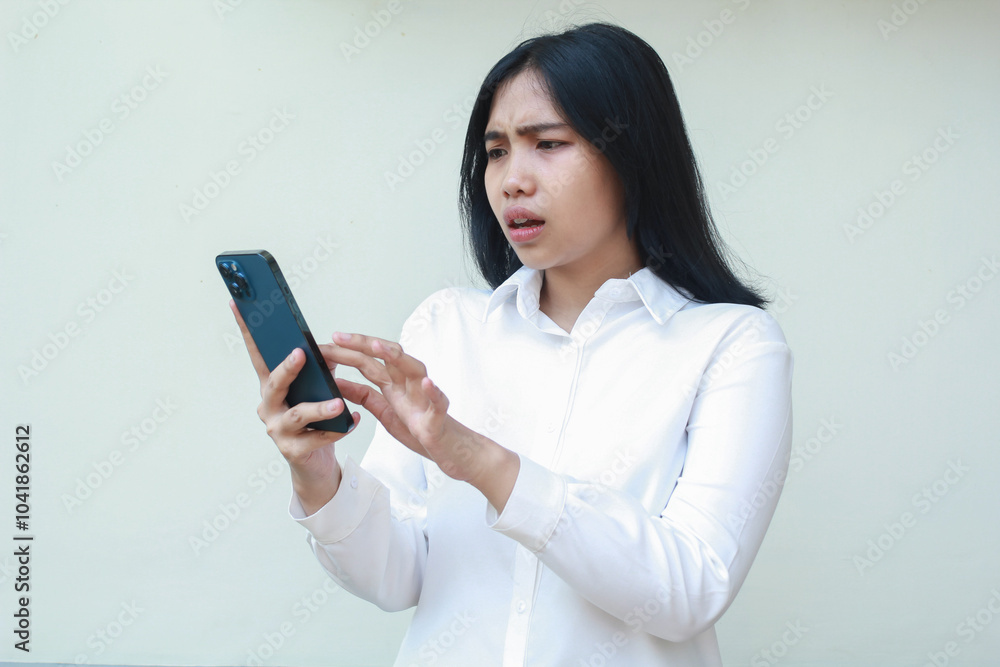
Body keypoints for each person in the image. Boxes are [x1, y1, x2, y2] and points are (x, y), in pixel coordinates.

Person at [232, 21, 793, 667]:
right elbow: (396, 575)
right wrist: (317, 473)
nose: (511, 180)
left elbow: (690, 590)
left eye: (547, 144)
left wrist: (474, 456)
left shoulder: (732, 345)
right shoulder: (448, 326)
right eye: (496, 151)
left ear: (633, 155)